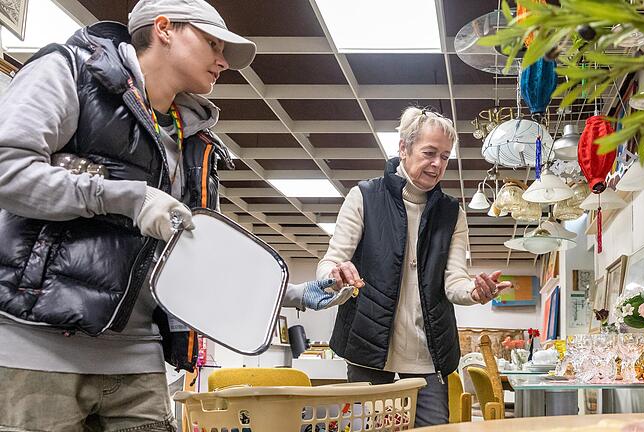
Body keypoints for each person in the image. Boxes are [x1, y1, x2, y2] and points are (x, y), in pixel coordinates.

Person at [0, 1, 343, 430]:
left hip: (137, 357)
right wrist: (130, 199)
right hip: (37, 352)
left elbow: (197, 258)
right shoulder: (70, 70)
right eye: (212, 43)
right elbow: (8, 172)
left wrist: (293, 294)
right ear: (163, 29)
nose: (222, 61)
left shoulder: (193, 139)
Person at [317, 107, 512, 427]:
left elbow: (454, 282)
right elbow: (331, 260)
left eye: (445, 157)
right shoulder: (364, 197)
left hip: (428, 353)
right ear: (403, 148)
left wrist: (476, 292)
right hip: (368, 348)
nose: (437, 164)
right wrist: (335, 276)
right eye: (429, 153)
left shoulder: (452, 213)